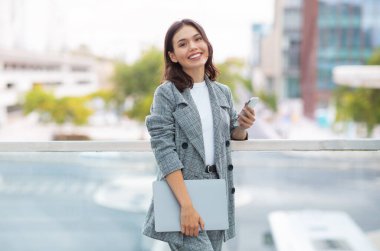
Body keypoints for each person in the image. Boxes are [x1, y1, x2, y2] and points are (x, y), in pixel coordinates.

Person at [142, 19, 255, 251]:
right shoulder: (167, 93)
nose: (193, 47)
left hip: (217, 186)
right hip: (182, 191)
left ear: (206, 44)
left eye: (197, 39)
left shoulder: (222, 92)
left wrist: (243, 126)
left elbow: (232, 133)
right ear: (173, 56)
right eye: (183, 44)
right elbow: (163, 150)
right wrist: (186, 206)